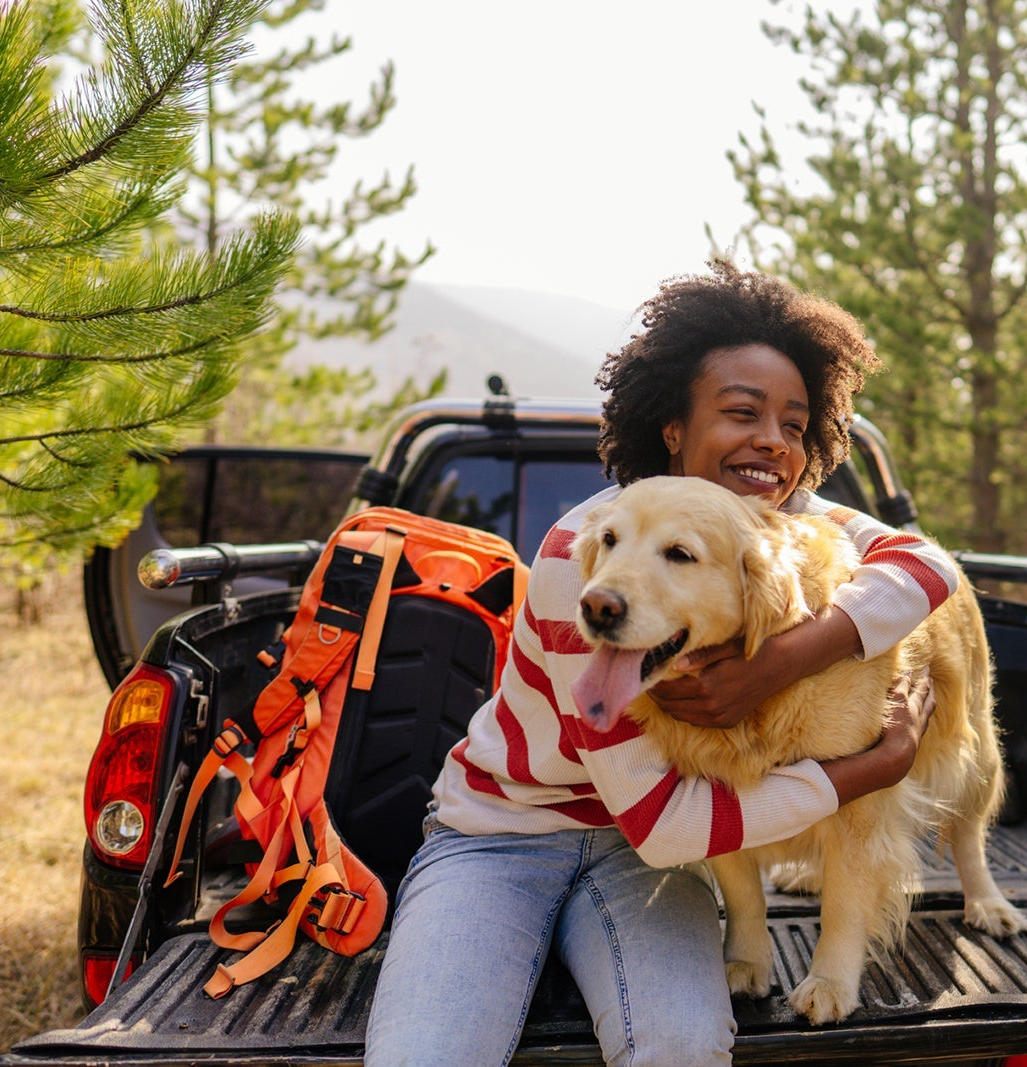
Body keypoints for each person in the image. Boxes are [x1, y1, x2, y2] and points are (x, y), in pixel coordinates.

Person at [364, 263, 963, 1067]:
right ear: (673, 428)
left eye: (794, 423)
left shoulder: (782, 523)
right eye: (742, 412)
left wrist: (778, 661)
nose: (771, 440)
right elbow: (664, 820)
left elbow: (928, 567)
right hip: (502, 834)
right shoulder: (588, 557)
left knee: (681, 1047)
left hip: (651, 860)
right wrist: (869, 767)